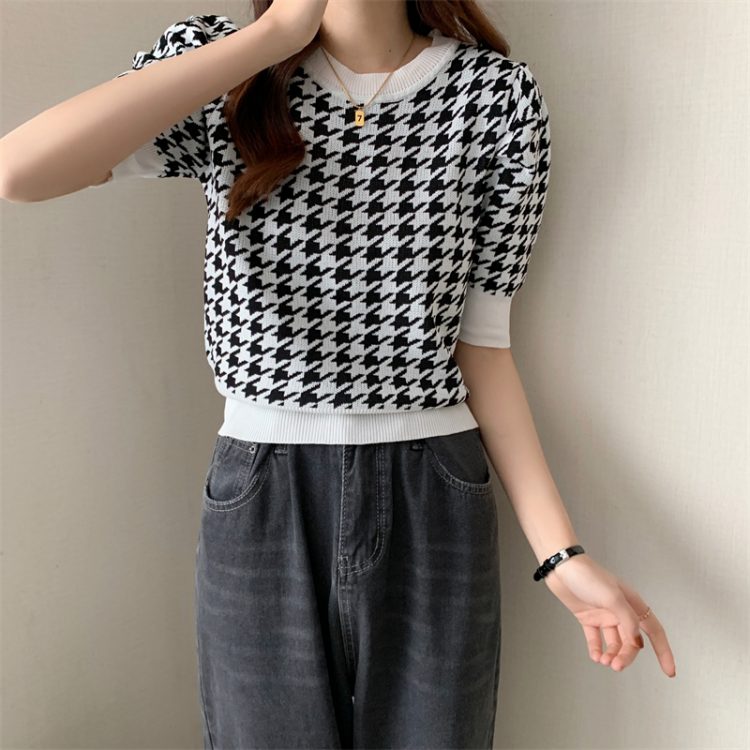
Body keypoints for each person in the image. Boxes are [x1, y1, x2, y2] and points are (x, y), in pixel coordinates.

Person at [0, 0, 677, 747]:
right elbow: (20, 170)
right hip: (263, 493)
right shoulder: (224, 66)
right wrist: (273, 35)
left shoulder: (496, 97)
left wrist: (561, 555)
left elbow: (482, 346)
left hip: (434, 492)